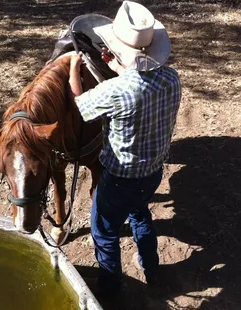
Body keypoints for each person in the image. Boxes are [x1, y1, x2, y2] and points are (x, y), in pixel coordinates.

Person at [69, 1, 182, 296]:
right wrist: (118, 66)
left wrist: (73, 70)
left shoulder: (116, 91)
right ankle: (151, 267)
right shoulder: (172, 79)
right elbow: (140, 82)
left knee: (104, 232)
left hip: (120, 178)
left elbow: (81, 106)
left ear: (118, 49)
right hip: (153, 172)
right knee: (140, 215)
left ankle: (109, 290)